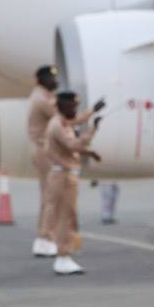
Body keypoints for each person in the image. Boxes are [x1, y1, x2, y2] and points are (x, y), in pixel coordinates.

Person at [27, 65, 102, 258]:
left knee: (50, 198)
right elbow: (68, 121)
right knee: (52, 198)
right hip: (47, 152)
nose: (55, 81)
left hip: (44, 149)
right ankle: (46, 239)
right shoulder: (43, 100)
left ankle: (45, 239)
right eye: (51, 78)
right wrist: (91, 115)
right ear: (41, 79)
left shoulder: (43, 96)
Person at [42, 90, 101, 276]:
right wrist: (93, 130)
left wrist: (93, 111)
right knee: (65, 216)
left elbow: (76, 122)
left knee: (68, 215)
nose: (75, 110)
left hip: (64, 175)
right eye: (72, 106)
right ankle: (63, 256)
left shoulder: (62, 121)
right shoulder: (58, 125)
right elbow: (74, 145)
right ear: (62, 106)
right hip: (63, 177)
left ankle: (65, 253)